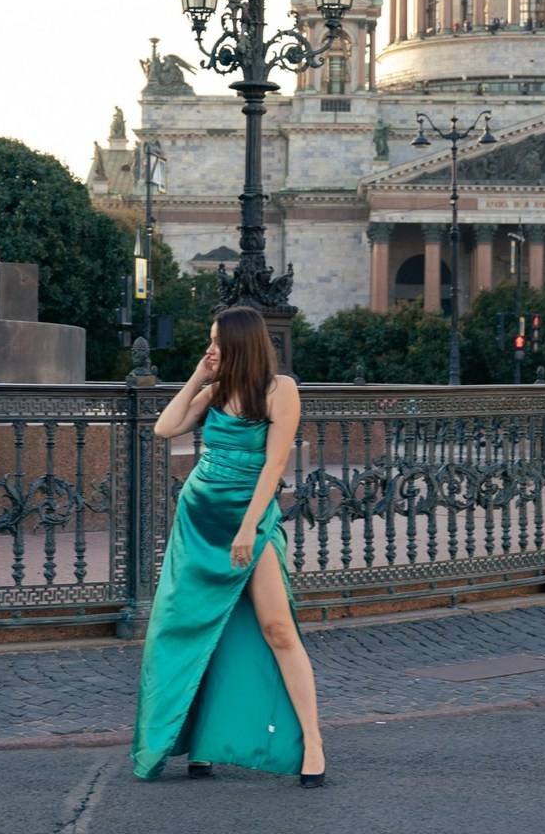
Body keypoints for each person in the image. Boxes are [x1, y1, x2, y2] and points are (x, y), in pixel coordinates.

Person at [131, 307, 325, 788]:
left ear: (243, 343)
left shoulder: (281, 389)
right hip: (199, 521)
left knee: (278, 628)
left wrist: (248, 527)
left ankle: (314, 743)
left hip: (250, 521)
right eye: (210, 340)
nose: (211, 348)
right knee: (197, 628)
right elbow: (165, 427)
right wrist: (199, 372)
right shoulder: (215, 390)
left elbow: (274, 465)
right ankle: (202, 744)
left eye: (218, 342)